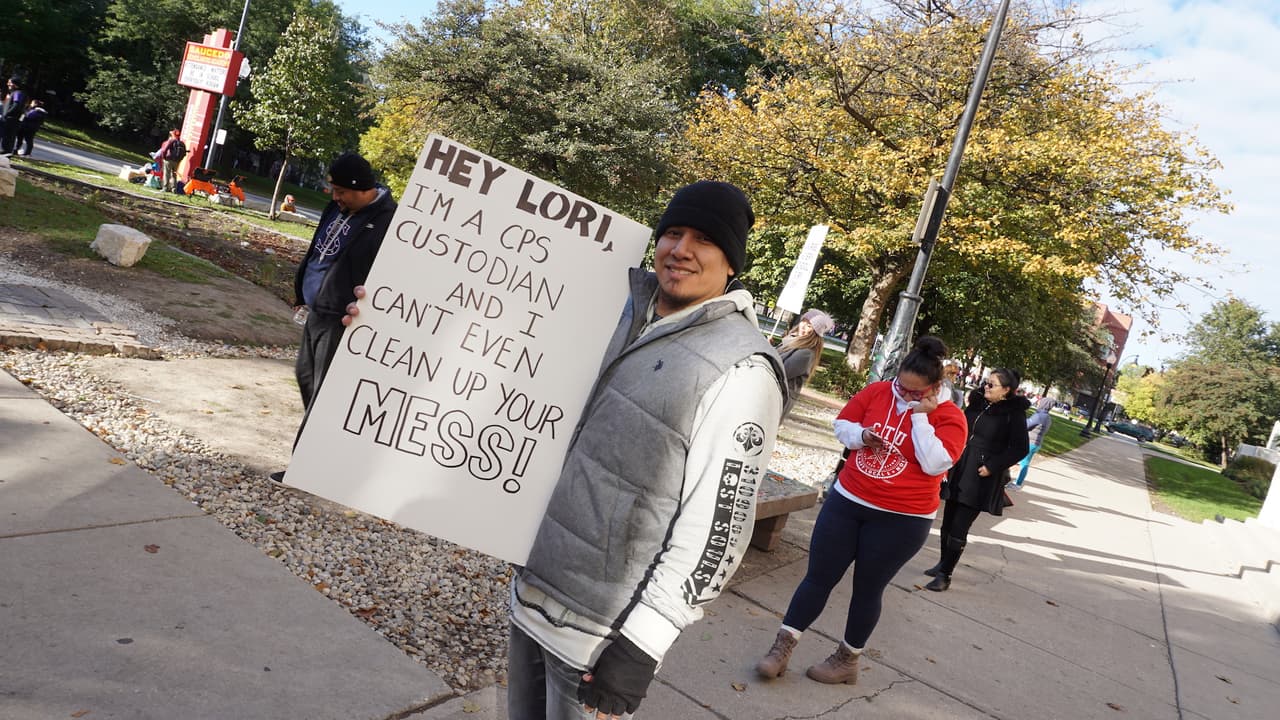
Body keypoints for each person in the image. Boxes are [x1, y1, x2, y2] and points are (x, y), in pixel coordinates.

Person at [756, 336, 966, 686]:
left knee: (868, 589)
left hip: (902, 519)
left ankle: (847, 660)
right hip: (848, 501)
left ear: (936, 387)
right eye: (903, 387)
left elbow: (935, 464)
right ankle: (781, 647)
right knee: (818, 577)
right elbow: (842, 425)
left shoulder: (950, 416)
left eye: (916, 392)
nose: (905, 395)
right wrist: (864, 435)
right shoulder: (879, 391)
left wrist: (920, 418)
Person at [271, 152, 396, 483]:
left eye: (341, 191)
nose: (334, 197)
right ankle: (331, 449)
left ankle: (308, 471)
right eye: (333, 190)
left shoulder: (389, 221)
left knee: (324, 393)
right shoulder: (339, 206)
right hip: (315, 311)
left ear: (361, 188)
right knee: (306, 378)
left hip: (343, 319)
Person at [924, 368, 1030, 592]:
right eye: (986, 382)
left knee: (959, 527)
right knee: (947, 523)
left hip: (981, 474)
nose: (986, 387)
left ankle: (946, 575)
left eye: (992, 384)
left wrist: (992, 466)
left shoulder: (1014, 414)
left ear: (1007, 390)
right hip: (960, 467)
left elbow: (1020, 448)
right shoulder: (979, 403)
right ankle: (943, 562)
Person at [777, 308, 834, 417]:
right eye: (804, 321)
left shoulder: (806, 353)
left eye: (809, 326)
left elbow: (782, 371)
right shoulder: (790, 340)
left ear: (816, 332)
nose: (803, 326)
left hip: (780, 396)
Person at [1010, 396, 1054, 489]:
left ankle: (1017, 484)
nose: (1038, 403)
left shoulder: (1040, 416)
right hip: (1036, 443)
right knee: (1021, 461)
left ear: (1043, 404)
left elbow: (1026, 424)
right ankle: (1014, 481)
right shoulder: (1047, 417)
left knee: (1024, 463)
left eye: (1040, 402)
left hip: (1031, 442)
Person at [1, 78, 27, 155]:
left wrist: (7, 114)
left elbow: (16, 105)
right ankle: (5, 151)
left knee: (9, 136)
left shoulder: (18, 93)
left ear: (15, 85)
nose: (8, 84)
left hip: (12, 119)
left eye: (10, 83)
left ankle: (6, 152)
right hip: (10, 118)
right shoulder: (14, 93)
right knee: (7, 136)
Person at [156, 129, 186, 193]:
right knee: (174, 175)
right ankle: (174, 189)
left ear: (173, 134)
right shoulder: (182, 143)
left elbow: (164, 150)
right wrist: (179, 160)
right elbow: (184, 153)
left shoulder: (171, 140)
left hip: (169, 160)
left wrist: (164, 157)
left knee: (167, 174)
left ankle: (165, 188)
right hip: (177, 161)